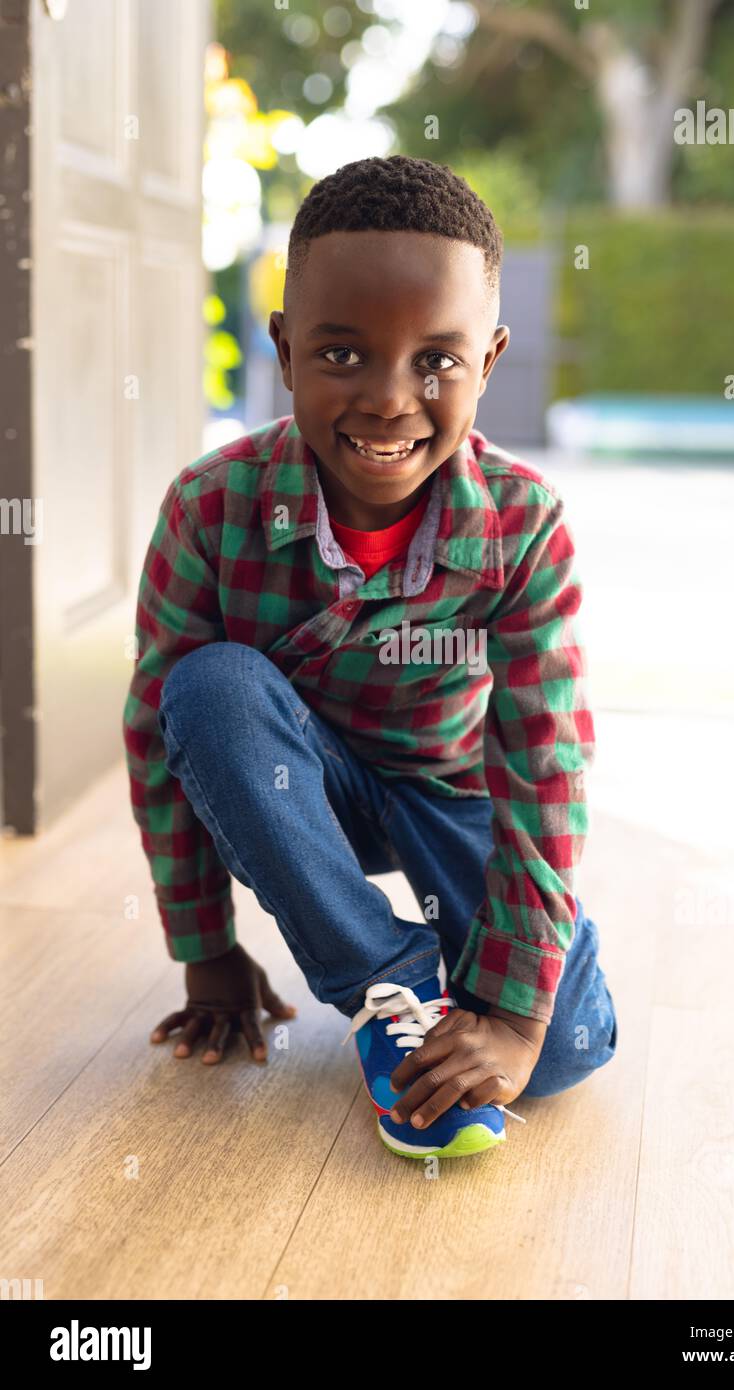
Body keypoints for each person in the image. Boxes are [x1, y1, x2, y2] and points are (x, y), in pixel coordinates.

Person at [122, 154, 617, 1160]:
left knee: (560, 1051)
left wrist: (518, 1018)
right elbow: (155, 737)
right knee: (207, 686)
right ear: (286, 349)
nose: (392, 398)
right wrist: (206, 954)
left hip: (448, 790)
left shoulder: (524, 526)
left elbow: (544, 764)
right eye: (343, 354)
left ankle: (507, 976)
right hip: (292, 787)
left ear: (490, 358)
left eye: (437, 358)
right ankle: (387, 978)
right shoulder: (210, 507)